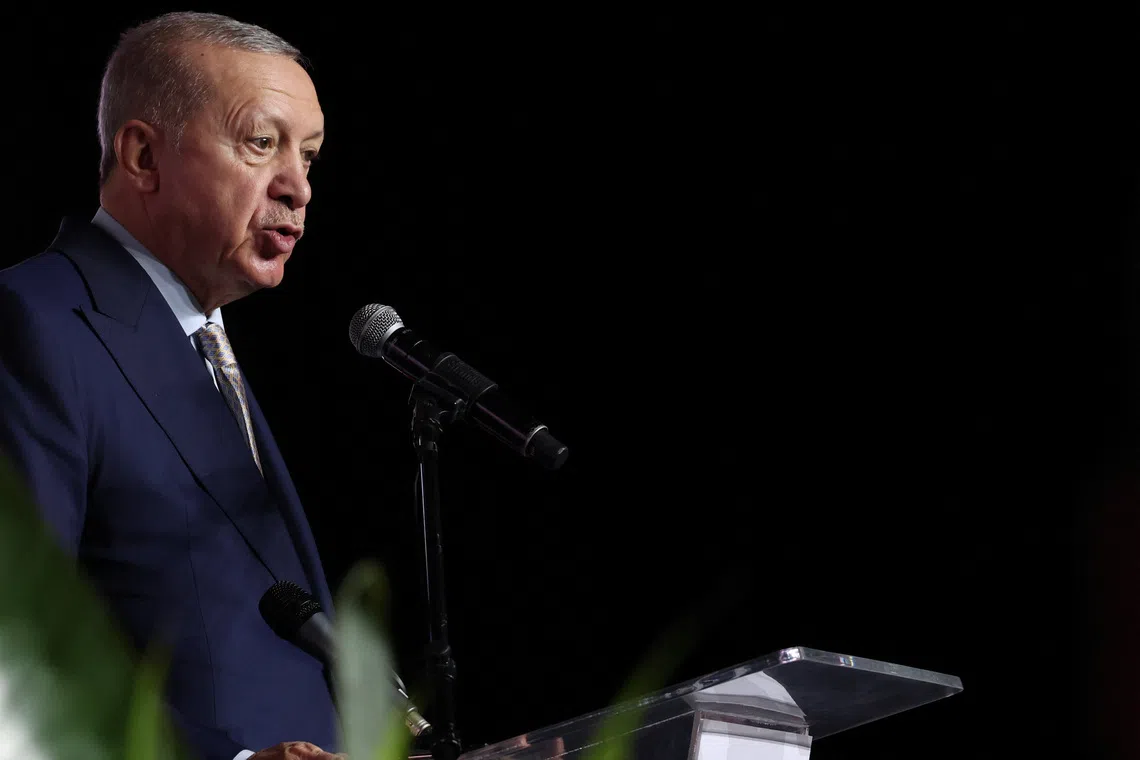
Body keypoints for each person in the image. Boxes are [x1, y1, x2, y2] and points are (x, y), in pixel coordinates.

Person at [0, 12, 343, 760]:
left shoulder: (203, 336)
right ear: (143, 155)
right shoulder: (34, 323)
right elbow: (17, 649)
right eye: (262, 143)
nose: (298, 188)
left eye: (310, 157)